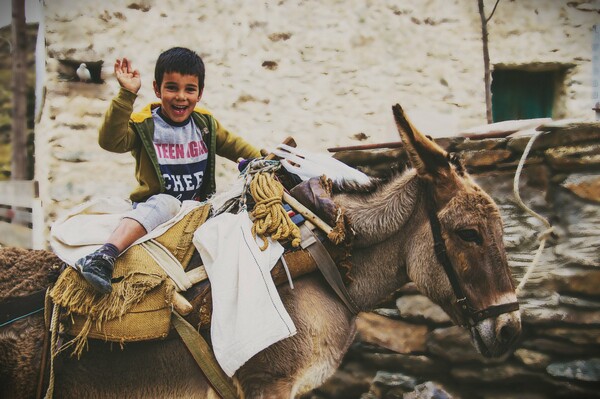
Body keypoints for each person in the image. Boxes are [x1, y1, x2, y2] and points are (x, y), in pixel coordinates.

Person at [75, 47, 261, 294]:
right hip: (155, 209)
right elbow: (111, 141)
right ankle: (104, 256)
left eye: (189, 89)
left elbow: (242, 149)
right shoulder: (146, 126)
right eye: (172, 87)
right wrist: (126, 95)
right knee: (166, 201)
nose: (181, 97)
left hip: (195, 210)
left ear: (200, 93)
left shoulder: (205, 124)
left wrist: (268, 160)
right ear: (157, 89)